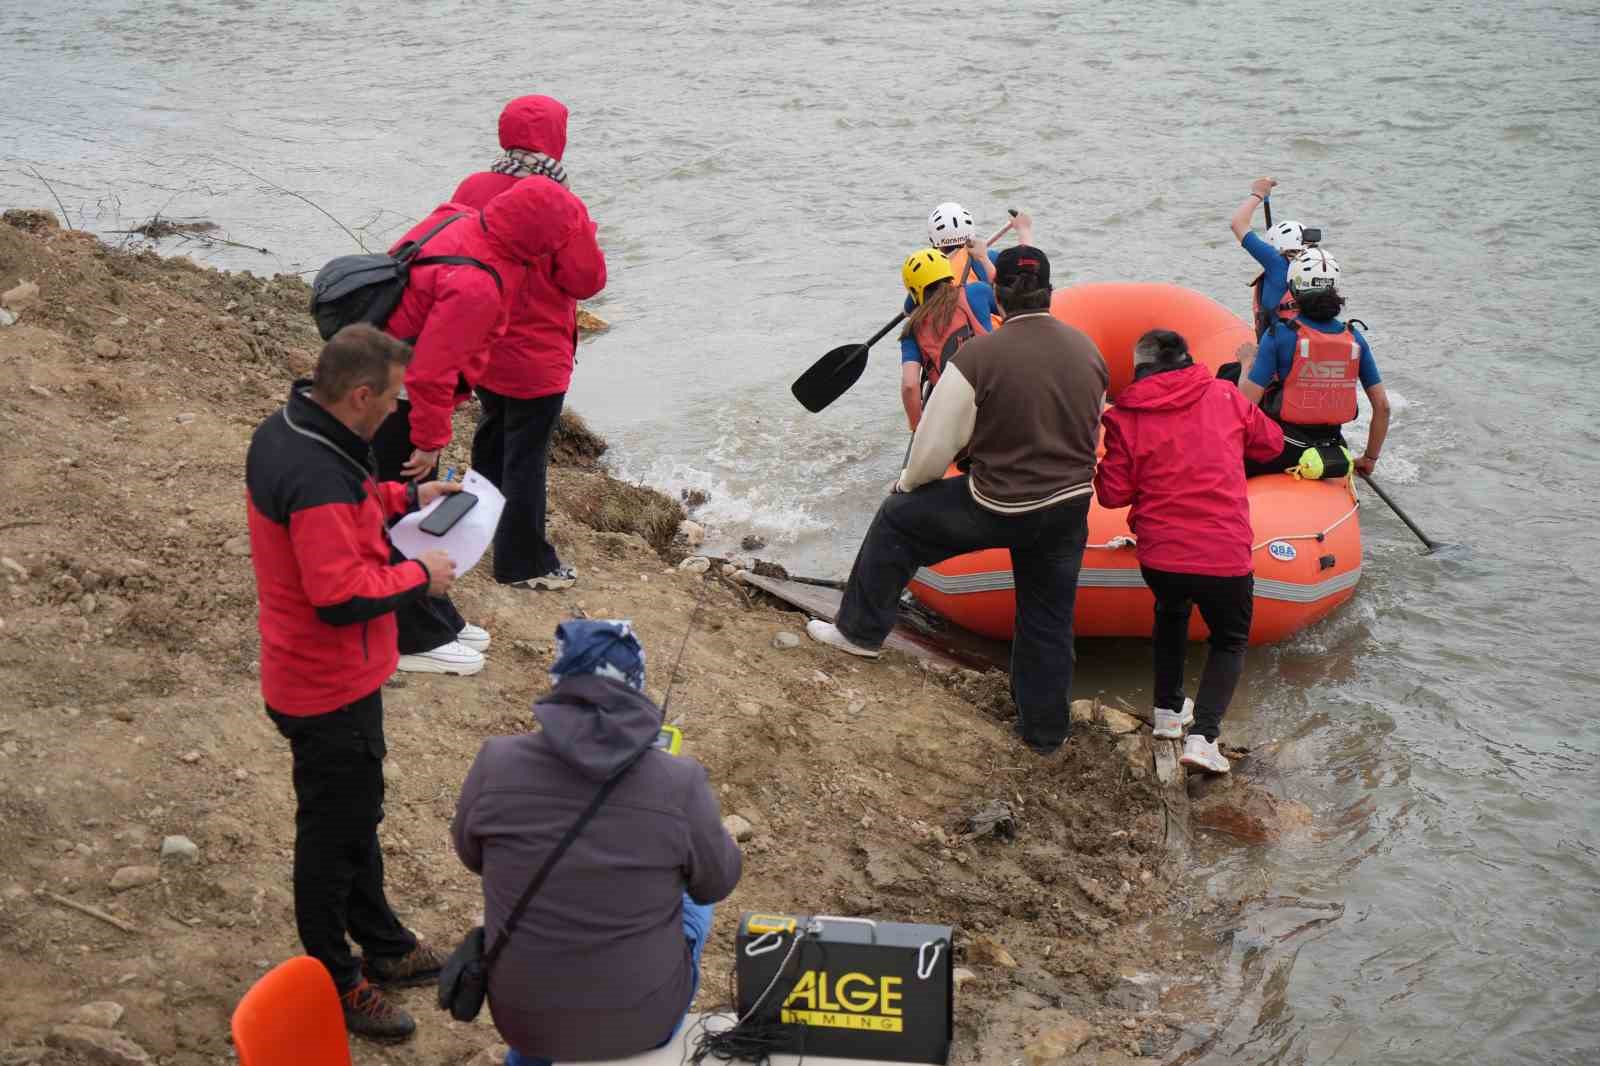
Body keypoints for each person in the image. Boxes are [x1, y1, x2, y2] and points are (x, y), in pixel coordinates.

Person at [245, 324, 460, 1041]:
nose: (399, 411)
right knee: (333, 837)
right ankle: (337, 980)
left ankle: (388, 946)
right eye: (394, 399)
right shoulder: (314, 474)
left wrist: (407, 498)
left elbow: (351, 505)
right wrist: (420, 575)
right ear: (362, 394)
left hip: (328, 675)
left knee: (356, 817)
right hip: (323, 682)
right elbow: (338, 595)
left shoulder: (299, 428)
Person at [808, 247, 1108, 755]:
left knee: (897, 521)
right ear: (1050, 292)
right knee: (1047, 619)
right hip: (1069, 508)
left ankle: (858, 634)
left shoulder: (977, 358)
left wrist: (906, 484)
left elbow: (930, 450)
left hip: (1000, 503)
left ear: (996, 295)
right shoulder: (1089, 350)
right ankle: (1044, 734)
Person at [452, 620, 743, 1066]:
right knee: (693, 897)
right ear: (636, 689)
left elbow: (473, 857)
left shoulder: (496, 760)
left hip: (521, 1017)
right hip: (644, 1019)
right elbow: (716, 883)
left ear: (559, 682)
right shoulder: (679, 781)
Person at [374, 177, 593, 674]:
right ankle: (411, 638)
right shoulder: (477, 282)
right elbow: (430, 372)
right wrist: (429, 442)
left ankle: (435, 615)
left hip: (370, 369)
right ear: (537, 243)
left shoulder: (458, 217)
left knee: (398, 510)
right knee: (399, 516)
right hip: (392, 394)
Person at [1093, 330, 1285, 773]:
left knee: (1171, 611)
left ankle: (1166, 712)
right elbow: (1272, 445)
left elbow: (1112, 494)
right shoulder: (1224, 395)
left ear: (1138, 370)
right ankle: (1204, 738)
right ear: (1188, 358)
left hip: (1161, 555)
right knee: (1230, 640)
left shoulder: (1124, 417)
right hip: (1223, 552)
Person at [450, 94, 607, 593]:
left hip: (481, 343)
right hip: (537, 355)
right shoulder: (560, 201)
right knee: (526, 458)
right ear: (557, 139)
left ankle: (475, 531)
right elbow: (586, 280)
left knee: (492, 436)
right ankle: (523, 563)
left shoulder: (474, 186)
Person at [1241, 248, 1390, 478]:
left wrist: (1246, 362)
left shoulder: (1279, 334)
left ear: (1293, 289)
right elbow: (1383, 407)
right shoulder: (1355, 338)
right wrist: (1369, 458)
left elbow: (1245, 405)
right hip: (1334, 446)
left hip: (1284, 449)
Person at [897, 247, 997, 430]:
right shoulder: (977, 292)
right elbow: (1013, 310)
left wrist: (917, 428)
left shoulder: (912, 330)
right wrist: (983, 259)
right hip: (997, 392)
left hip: (957, 413)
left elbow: (910, 385)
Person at [1229, 176, 1310, 339]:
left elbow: (1238, 223)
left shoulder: (1276, 262)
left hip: (1276, 343)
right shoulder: (1319, 267)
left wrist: (1258, 194)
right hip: (1308, 341)